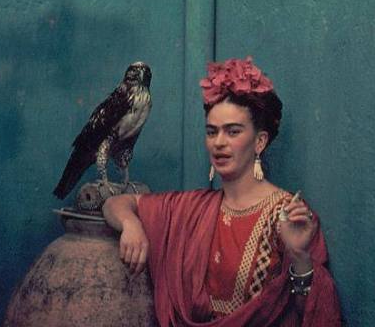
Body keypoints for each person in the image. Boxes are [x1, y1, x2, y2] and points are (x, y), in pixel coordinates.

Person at [103, 56, 341, 326]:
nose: (219, 143)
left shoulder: (288, 215)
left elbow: (314, 315)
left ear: (259, 141)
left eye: (233, 132)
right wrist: (131, 224)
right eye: (211, 132)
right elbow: (116, 204)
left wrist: (300, 258)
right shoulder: (191, 209)